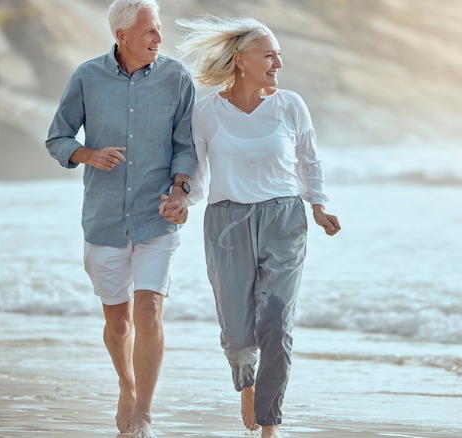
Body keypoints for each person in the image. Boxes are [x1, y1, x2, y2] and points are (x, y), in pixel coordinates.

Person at [176, 15, 342, 438]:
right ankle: (245, 381)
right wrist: (181, 199)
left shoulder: (290, 105)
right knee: (236, 330)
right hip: (226, 224)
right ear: (241, 60)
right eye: (269, 55)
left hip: (283, 220)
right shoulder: (207, 111)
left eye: (279, 56)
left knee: (275, 322)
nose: (278, 64)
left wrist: (318, 206)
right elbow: (196, 173)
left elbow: (310, 159)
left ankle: (270, 423)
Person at [45, 1, 196, 436]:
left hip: (157, 217)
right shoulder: (87, 77)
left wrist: (181, 190)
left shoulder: (177, 78)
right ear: (122, 36)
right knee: (119, 323)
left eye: (159, 29)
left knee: (148, 310)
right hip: (104, 218)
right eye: (149, 31)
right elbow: (57, 137)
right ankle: (126, 386)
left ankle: (144, 413)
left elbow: (186, 146)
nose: (158, 39)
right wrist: (88, 154)